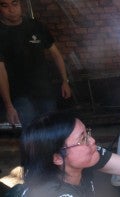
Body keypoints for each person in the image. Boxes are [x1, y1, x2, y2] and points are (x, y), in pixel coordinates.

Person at [0, 0, 71, 129]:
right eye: (5, 5)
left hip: (44, 91)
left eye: (14, 3)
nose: (11, 9)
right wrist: (9, 105)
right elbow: (0, 71)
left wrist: (65, 81)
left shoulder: (35, 26)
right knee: (32, 132)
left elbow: (56, 54)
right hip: (19, 95)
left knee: (52, 130)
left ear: (20, 5)